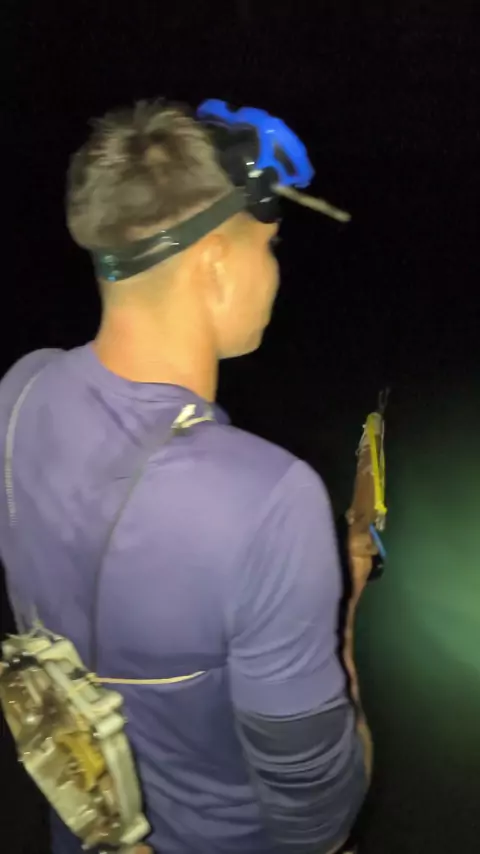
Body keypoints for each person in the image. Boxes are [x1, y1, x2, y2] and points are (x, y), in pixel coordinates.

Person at [0, 99, 372, 854]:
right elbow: (315, 816)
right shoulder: (269, 500)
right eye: (268, 247)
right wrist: (345, 618)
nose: (273, 271)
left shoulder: (21, 392)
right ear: (214, 265)